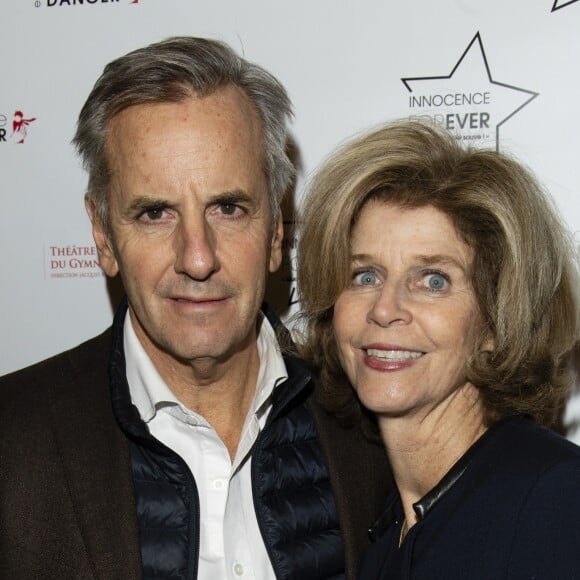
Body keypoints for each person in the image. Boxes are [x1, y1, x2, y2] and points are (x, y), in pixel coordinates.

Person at [0, 37, 390, 580]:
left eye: (228, 208)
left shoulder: (371, 422)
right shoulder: (14, 439)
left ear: (277, 228)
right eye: (155, 213)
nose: (198, 258)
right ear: (103, 235)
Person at [297, 120, 580, 579]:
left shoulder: (553, 499)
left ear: (495, 321)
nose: (385, 309)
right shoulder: (384, 539)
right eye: (365, 275)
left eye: (433, 280)